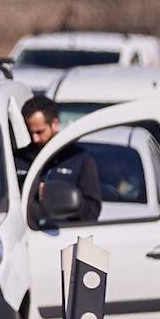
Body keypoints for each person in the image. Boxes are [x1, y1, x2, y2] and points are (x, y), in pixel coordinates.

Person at [17, 95, 102, 226]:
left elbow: (91, 211)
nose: (35, 138)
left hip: (62, 236)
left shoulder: (78, 159)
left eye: (39, 132)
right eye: (30, 132)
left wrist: (57, 198)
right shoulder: (18, 158)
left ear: (54, 124)